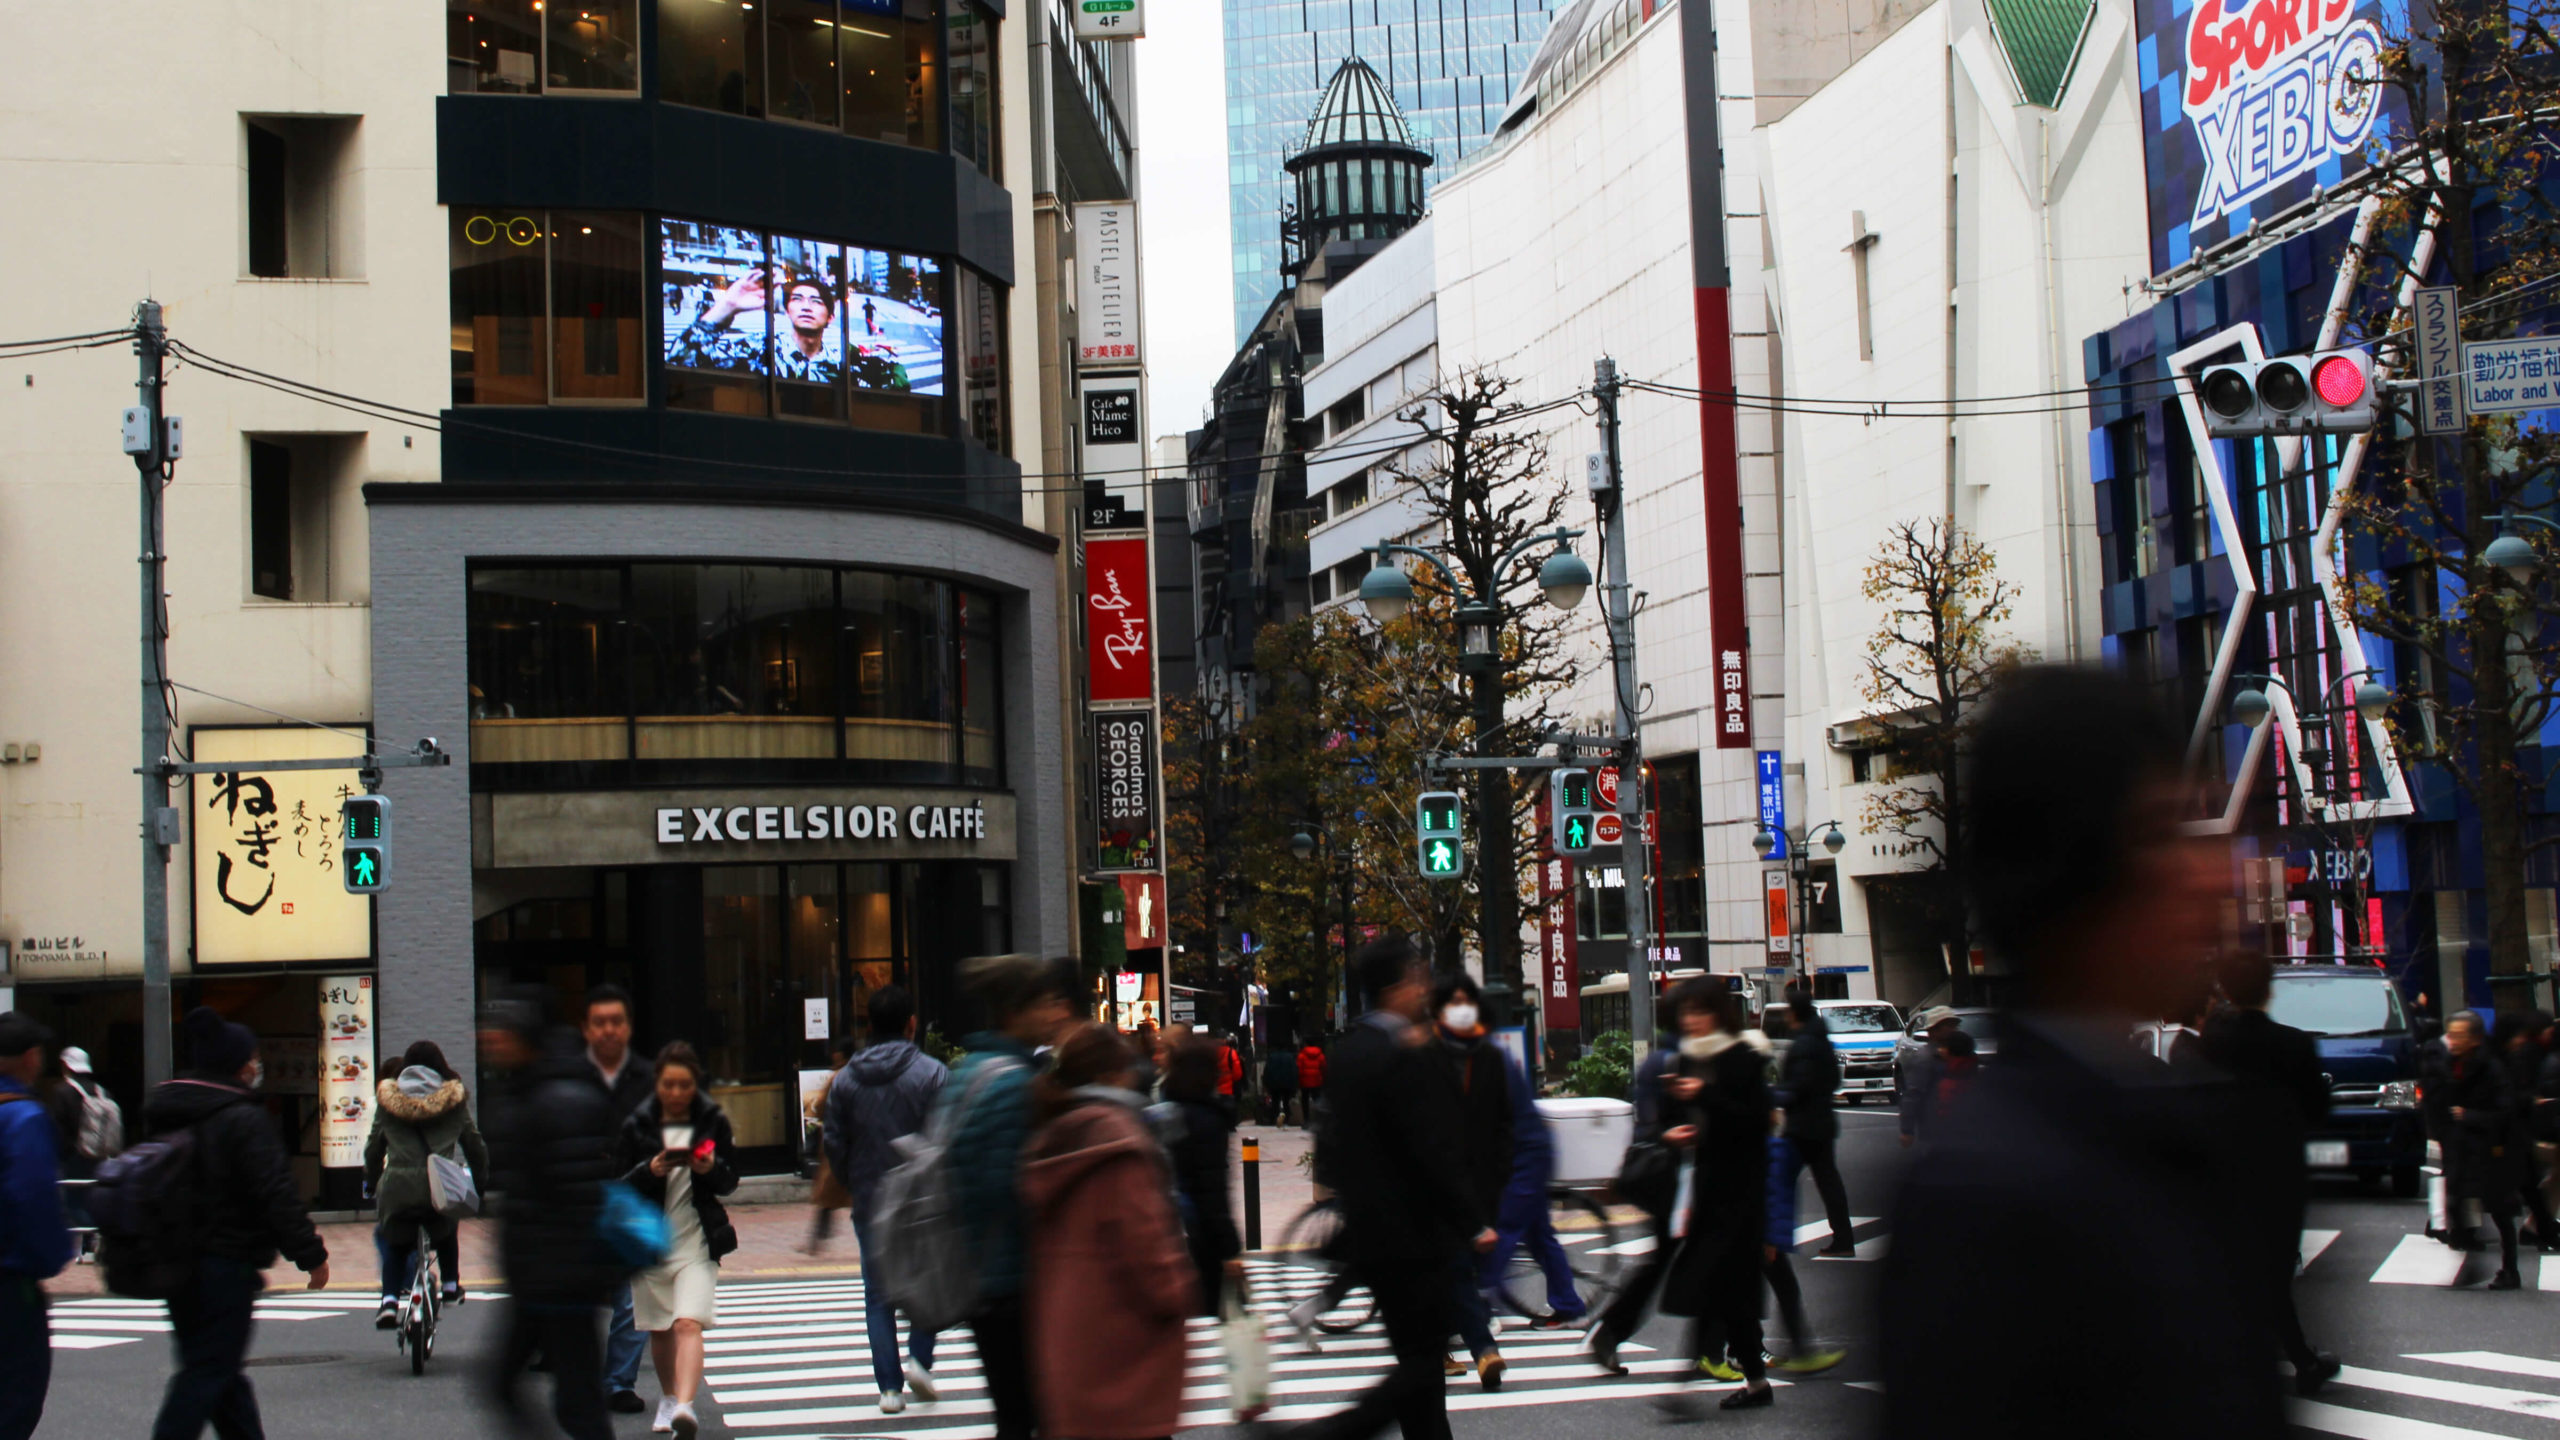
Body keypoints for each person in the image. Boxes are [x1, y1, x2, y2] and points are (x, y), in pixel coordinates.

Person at [1879, 665, 2284, 1440]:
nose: (2208, 875)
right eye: (2164, 834)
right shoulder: (1987, 1191)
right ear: (2071, 872)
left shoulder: (2170, 1110)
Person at [1276, 937, 1488, 1440]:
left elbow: (1332, 1146)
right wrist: (1471, 1220)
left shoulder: (1349, 1052)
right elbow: (1431, 1151)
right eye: (1418, 976)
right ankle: (1319, 1436)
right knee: (1418, 1366)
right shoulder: (1403, 1053)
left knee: (1421, 1364)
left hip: (1375, 1237)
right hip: (1416, 1239)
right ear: (1398, 985)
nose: (1425, 987)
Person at [146, 1007, 329, 1440]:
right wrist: (311, 1255)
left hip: (174, 1260)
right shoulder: (243, 1118)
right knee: (209, 1371)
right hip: (225, 1264)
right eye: (252, 1057)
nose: (257, 1065)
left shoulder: (168, 1110)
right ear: (236, 1063)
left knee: (218, 1370)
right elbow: (276, 1192)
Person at [1020, 1025, 1198, 1440]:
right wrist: (1181, 1288)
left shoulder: (1053, 1139)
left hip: (1068, 1343)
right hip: (1123, 1352)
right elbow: (1154, 1263)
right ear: (1109, 1077)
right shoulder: (1118, 1147)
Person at [938, 954, 1076, 1440]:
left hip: (980, 1275)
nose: (1054, 1013)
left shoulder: (968, 1071)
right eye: (1045, 1003)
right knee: (1028, 1417)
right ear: (1015, 1012)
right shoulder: (1013, 1083)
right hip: (1015, 1281)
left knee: (1015, 1415)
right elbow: (1009, 1189)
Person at [2200, 952, 2341, 1394]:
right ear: (2269, 987)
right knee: (2275, 1269)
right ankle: (2299, 1360)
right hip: (2278, 1170)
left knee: (2234, 1265)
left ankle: (2271, 1356)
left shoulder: (2213, 1040)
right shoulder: (2294, 1044)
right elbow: (2317, 1110)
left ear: (2224, 989)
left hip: (2222, 1166)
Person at [480, 993, 619, 1440]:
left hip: (561, 1278)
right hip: (538, 1276)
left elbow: (581, 1194)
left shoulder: (558, 1097)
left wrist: (578, 1270)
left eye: (498, 1035)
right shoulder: (529, 1087)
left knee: (577, 1404)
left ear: (524, 1039)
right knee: (524, 1389)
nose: (489, 1043)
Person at [1641, 983, 1776, 1416]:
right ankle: (1756, 1383)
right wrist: (1672, 1131)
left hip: (1740, 1192)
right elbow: (1673, 1119)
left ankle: (1685, 1381)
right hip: (1704, 1189)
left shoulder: (1742, 1058)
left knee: (1711, 1282)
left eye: (1698, 1011)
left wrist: (1703, 1096)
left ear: (1718, 1013)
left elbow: (1754, 1123)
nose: (1689, 1021)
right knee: (1726, 1290)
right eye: (1684, 1013)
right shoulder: (1686, 1060)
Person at [820, 985, 950, 1414]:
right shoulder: (932, 1073)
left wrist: (852, 1180)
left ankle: (889, 1389)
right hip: (923, 1196)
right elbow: (945, 1137)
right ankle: (920, 1361)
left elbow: (835, 1143)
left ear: (869, 1026)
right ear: (911, 1025)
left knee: (877, 1293)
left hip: (871, 1196)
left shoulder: (846, 1080)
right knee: (927, 1278)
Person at [616, 1042, 737, 1438]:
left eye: (684, 1084)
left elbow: (731, 1179)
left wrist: (710, 1167)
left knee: (688, 1323)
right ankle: (669, 1398)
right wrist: (648, 1170)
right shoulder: (637, 1125)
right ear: (658, 1083)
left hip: (697, 1241)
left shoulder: (713, 1122)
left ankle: (685, 1406)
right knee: (660, 1328)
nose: (676, 1092)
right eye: (668, 1084)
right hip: (650, 1241)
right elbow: (615, 1185)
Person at [1427, 973, 1513, 1389]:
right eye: (1452, 1002)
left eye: (1467, 1001)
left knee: (1462, 1273)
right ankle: (1483, 1350)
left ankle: (1438, 1345)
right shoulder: (1427, 1056)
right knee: (1457, 1268)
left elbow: (1503, 1121)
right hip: (1440, 1184)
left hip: (1482, 1184)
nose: (1461, 1009)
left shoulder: (1490, 1057)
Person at [364, 1039, 488, 1325]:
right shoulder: (454, 1101)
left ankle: (389, 1301)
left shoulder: (387, 1101)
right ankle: (450, 1286)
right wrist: (479, 1185)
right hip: (438, 1186)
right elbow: (475, 1146)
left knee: (395, 1242)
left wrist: (371, 1182)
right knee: (446, 1227)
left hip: (397, 1187)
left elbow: (373, 1149)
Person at [1480, 1004, 1584, 1333]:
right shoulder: (1489, 1057)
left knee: (1504, 1230)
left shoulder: (1485, 1062)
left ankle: (1480, 1306)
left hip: (1523, 1156)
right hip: (1530, 1153)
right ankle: (1568, 1305)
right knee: (1538, 1234)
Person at [584, 984, 657, 1415]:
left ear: (627, 1028)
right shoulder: (572, 1078)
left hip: (630, 1198)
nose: (609, 1030)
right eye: (600, 1022)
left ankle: (618, 1382)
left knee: (631, 1301)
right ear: (588, 1029)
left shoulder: (648, 1079)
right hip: (581, 1199)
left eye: (617, 1022)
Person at [0, 1013, 73, 1440]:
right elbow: (32, 1196)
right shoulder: (24, 1118)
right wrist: (51, 1257)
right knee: (16, 1396)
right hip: (10, 1279)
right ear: (30, 1058)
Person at [2440, 1011, 2525, 1289]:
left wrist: (2468, 1116)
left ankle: (2510, 1270)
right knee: (2456, 1200)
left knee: (2500, 1210)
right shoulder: (2452, 1063)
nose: (2452, 1041)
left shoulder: (2491, 1067)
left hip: (2492, 1149)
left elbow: (2505, 1111)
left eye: (2459, 1035)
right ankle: (2471, 1259)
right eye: (2450, 1034)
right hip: (2463, 1148)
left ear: (2475, 1039)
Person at [1773, 987, 1856, 1255]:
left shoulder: (1805, 1044)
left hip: (1802, 1127)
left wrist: (1773, 1096)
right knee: (1829, 1182)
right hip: (1821, 1123)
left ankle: (1771, 1239)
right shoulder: (1820, 1039)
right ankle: (1844, 1239)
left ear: (1794, 1012)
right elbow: (1833, 1080)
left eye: (1787, 1009)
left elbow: (1798, 1085)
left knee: (1777, 1179)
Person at [1160, 1037, 1239, 1315]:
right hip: (1198, 1237)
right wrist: (1229, 1250)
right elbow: (1212, 1189)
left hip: (1162, 1232)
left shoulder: (1162, 1112)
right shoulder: (1207, 1119)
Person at [1759, 1131, 1843, 1375]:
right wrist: (1770, 1237)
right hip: (1756, 1230)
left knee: (1762, 1290)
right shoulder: (1767, 1141)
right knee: (1775, 1289)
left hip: (1755, 1228)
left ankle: (1729, 1351)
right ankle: (1724, 1352)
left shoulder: (1768, 1140)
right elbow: (1771, 1192)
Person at [42, 1043, 116, 1259]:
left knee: (73, 1202)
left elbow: (57, 1128)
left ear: (66, 1065)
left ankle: (87, 1243)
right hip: (100, 1156)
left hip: (73, 1157)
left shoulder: (62, 1092)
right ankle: (91, 1244)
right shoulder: (103, 1092)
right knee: (93, 1199)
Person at [2499, 1011, 2560, 1251]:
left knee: (2530, 1186)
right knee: (2524, 1186)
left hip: (2518, 1131)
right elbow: (2514, 1094)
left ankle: (2538, 1229)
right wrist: (2534, 1100)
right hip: (2513, 1131)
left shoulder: (2524, 1054)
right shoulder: (2525, 1056)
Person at [1896, 1010, 1961, 1148]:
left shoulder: (1961, 1054)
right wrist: (1907, 1130)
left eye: (1955, 1026)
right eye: (1948, 1025)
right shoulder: (1924, 1057)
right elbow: (1913, 1093)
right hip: (1934, 1123)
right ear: (1934, 1030)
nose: (1953, 1030)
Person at [1264, 1043, 1301, 1127]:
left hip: (1274, 1083)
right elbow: (1294, 1071)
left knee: (1275, 1102)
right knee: (1286, 1102)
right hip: (1287, 1083)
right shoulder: (1290, 1057)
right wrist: (1295, 1084)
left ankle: (1275, 1119)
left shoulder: (1272, 1057)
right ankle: (1287, 1119)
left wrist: (1266, 1083)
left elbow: (1267, 1071)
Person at [1215, 1032, 1245, 1124]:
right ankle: (1231, 1124)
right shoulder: (1231, 1052)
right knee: (1231, 1108)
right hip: (1229, 1089)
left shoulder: (1211, 1052)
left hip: (1215, 1090)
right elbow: (1237, 1073)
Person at [1298, 1035, 1328, 1117]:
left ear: (1305, 1044)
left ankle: (1306, 1119)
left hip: (1304, 1082)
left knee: (1305, 1101)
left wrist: (1299, 1080)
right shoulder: (1320, 1055)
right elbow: (1324, 1068)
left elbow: (1299, 1069)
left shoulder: (1301, 1056)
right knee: (1317, 1100)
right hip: (1317, 1081)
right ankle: (1317, 1118)